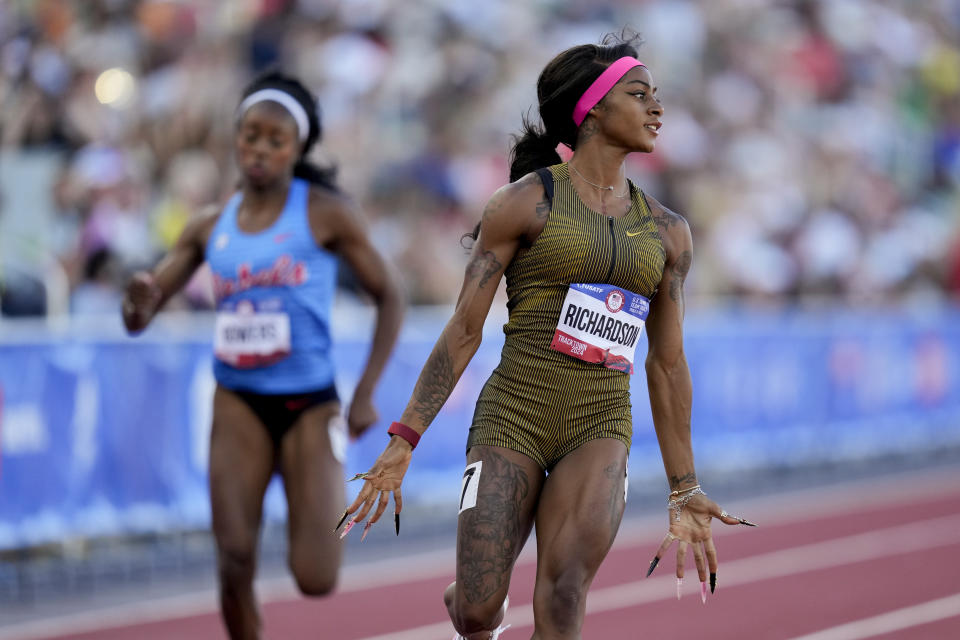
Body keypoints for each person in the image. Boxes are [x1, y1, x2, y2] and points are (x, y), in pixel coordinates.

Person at [343, 33, 757, 639]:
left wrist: (684, 485)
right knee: (478, 610)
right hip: (515, 414)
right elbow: (464, 329)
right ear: (592, 110)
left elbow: (667, 366)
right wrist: (405, 438)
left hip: (600, 422)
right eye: (639, 95)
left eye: (657, 97)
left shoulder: (668, 234)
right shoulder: (524, 203)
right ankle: (471, 599)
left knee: (563, 598)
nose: (657, 109)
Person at [122, 71, 403, 640]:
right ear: (236, 136)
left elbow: (390, 295)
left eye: (276, 141)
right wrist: (137, 303)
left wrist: (368, 391)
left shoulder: (325, 213)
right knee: (233, 562)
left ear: (296, 149)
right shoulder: (208, 225)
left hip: (310, 405)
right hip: (239, 404)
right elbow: (141, 316)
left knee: (316, 577)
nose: (260, 149)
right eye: (251, 135)